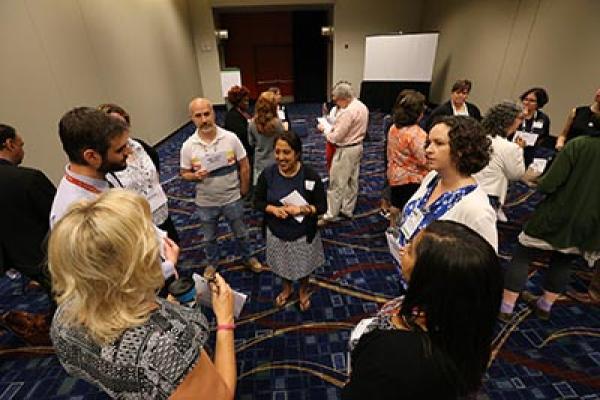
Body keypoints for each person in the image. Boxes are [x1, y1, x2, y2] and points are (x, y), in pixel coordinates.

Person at [49, 190, 237, 399]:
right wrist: (225, 321)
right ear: (136, 262)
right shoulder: (166, 344)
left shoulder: (63, 316)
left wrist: (164, 307)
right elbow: (222, 396)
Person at [342, 220, 502, 399]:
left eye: (410, 251)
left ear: (430, 279)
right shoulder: (468, 322)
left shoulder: (394, 356)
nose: (402, 249)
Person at [50, 107, 179, 282]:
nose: (128, 152)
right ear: (91, 157)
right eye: (119, 150)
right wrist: (166, 268)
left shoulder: (100, 179)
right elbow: (110, 282)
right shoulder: (75, 212)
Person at [501, 131, 600, 321]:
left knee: (523, 254)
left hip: (557, 214)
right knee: (564, 260)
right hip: (590, 223)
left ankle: (506, 308)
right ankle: (545, 307)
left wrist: (537, 180)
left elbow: (549, 184)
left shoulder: (578, 145)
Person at [180, 98, 262, 277]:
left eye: (207, 114)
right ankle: (212, 263)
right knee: (209, 238)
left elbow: (245, 164)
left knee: (241, 233)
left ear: (214, 113)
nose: (204, 120)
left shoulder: (230, 138)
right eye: (198, 116)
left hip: (232, 197)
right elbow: (184, 173)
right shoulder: (188, 146)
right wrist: (194, 176)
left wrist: (244, 189)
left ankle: (248, 258)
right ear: (192, 118)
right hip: (206, 202)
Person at [395, 116, 497, 254]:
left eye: (439, 143)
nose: (428, 150)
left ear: (462, 150)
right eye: (428, 143)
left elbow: (484, 267)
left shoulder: (477, 210)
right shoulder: (433, 178)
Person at [253, 131, 326, 311]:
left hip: (302, 234)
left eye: (286, 152)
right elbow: (257, 202)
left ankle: (302, 289)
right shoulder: (268, 174)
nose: (281, 157)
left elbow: (322, 207)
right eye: (277, 152)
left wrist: (302, 209)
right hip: (277, 233)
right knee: (282, 266)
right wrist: (274, 209)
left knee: (304, 267)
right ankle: (286, 289)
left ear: (297, 153)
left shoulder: (310, 176)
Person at [0, 123, 56, 345]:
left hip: (12, 259)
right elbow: (59, 218)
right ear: (9, 143)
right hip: (45, 256)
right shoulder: (29, 178)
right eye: (21, 144)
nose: (23, 150)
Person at [98, 103, 179, 243]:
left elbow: (155, 167)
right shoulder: (107, 161)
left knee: (172, 248)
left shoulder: (139, 146)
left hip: (160, 209)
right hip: (138, 223)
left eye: (122, 123)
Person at [317, 82, 369, 224]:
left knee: (337, 183)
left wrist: (324, 130)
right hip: (358, 146)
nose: (336, 104)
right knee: (352, 180)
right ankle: (347, 209)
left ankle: (330, 214)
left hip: (345, 150)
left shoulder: (347, 112)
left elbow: (335, 138)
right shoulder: (361, 106)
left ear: (343, 98)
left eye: (336, 100)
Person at [474, 101, 526, 214]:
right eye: (519, 119)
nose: (519, 124)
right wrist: (520, 149)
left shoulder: (476, 137)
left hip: (467, 188)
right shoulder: (510, 148)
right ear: (509, 121)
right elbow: (516, 174)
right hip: (488, 195)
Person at [386, 90, 429, 224]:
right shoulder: (417, 135)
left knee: (395, 204)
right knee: (409, 209)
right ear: (419, 114)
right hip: (411, 180)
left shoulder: (393, 127)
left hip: (395, 175)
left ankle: (392, 227)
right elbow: (426, 161)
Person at [248, 91, 285, 186]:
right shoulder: (278, 124)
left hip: (259, 163)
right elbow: (283, 141)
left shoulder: (252, 124)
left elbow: (251, 143)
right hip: (275, 162)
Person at [517, 88, 551, 166]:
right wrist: (521, 117)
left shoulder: (543, 118)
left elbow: (544, 136)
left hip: (530, 152)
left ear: (538, 103)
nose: (527, 103)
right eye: (525, 99)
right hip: (512, 148)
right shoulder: (515, 114)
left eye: (532, 101)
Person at [224, 85, 253, 165]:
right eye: (245, 101)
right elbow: (241, 136)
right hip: (241, 151)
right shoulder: (233, 117)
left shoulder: (244, 112)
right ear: (238, 102)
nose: (248, 103)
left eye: (248, 100)